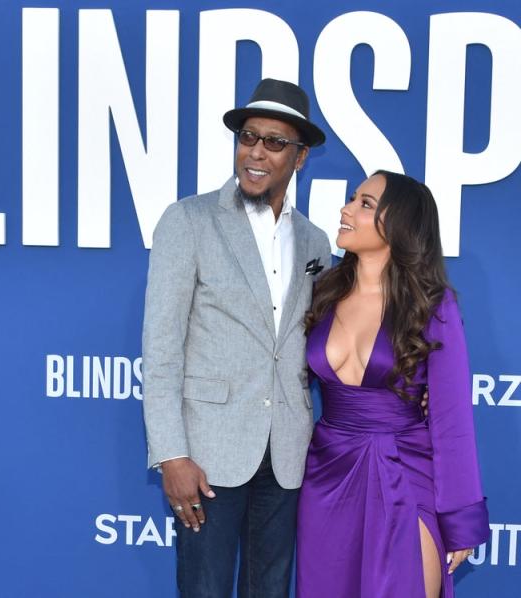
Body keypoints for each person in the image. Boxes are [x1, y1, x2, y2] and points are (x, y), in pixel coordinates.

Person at [141, 78, 331, 597]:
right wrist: (171, 454)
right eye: (249, 137)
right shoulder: (189, 221)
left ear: (300, 157)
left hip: (288, 451)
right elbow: (160, 350)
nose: (256, 152)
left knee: (269, 590)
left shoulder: (315, 240)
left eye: (274, 142)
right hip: (207, 452)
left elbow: (319, 342)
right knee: (204, 589)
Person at [296, 171, 490, 598]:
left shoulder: (433, 306)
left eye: (365, 204)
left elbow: (452, 418)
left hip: (403, 472)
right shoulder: (322, 293)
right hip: (326, 476)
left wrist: (460, 518)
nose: (346, 210)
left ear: (398, 225)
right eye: (352, 199)